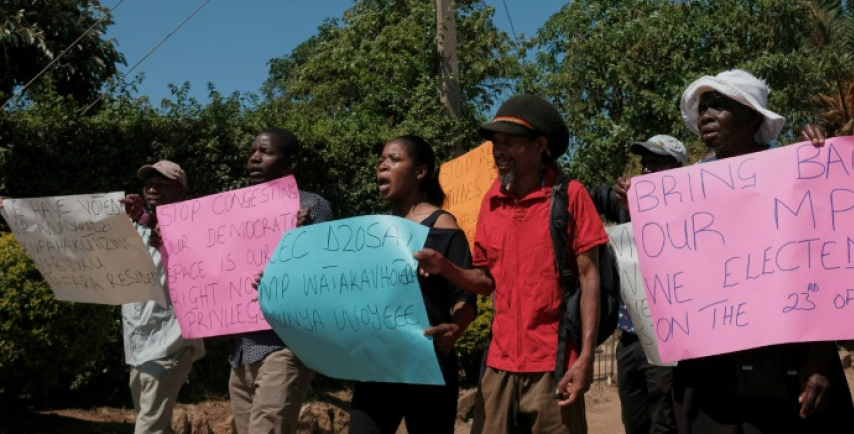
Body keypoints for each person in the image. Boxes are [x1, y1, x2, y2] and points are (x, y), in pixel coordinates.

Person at [673, 70, 854, 433]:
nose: (706, 115)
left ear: (751, 116)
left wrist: (819, 357)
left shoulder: (797, 171)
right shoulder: (685, 187)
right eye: (703, 108)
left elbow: (827, 267)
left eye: (719, 106)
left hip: (789, 362)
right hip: (714, 369)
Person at [415, 94, 608, 434]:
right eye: (495, 143)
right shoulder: (492, 200)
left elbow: (590, 279)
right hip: (499, 363)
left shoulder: (571, 196)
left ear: (541, 146)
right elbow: (486, 280)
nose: (498, 151)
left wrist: (586, 357)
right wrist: (446, 267)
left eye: (510, 142)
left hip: (555, 361)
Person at [348, 135, 477, 434]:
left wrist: (455, 329)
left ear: (420, 172)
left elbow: (465, 296)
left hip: (428, 366)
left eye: (394, 159)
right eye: (381, 160)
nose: (382, 165)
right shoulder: (374, 230)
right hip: (377, 366)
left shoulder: (444, 227)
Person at [229, 127, 334, 434]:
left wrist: (303, 238)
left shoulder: (312, 207)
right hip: (242, 351)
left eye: (266, 152)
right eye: (252, 152)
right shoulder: (235, 213)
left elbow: (324, 275)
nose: (255, 158)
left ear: (291, 164)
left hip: (284, 347)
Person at [588, 135, 685, 434]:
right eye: (644, 165)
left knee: (664, 420)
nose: (645, 172)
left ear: (678, 172)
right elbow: (583, 198)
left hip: (667, 339)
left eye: (656, 165)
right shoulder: (625, 207)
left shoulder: (688, 214)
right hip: (629, 340)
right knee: (634, 421)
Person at [119, 160, 206, 434]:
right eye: (148, 183)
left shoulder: (196, 224)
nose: (152, 187)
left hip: (171, 341)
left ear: (181, 191)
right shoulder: (138, 226)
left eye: (162, 183)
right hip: (138, 341)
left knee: (148, 428)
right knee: (153, 420)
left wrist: (150, 219)